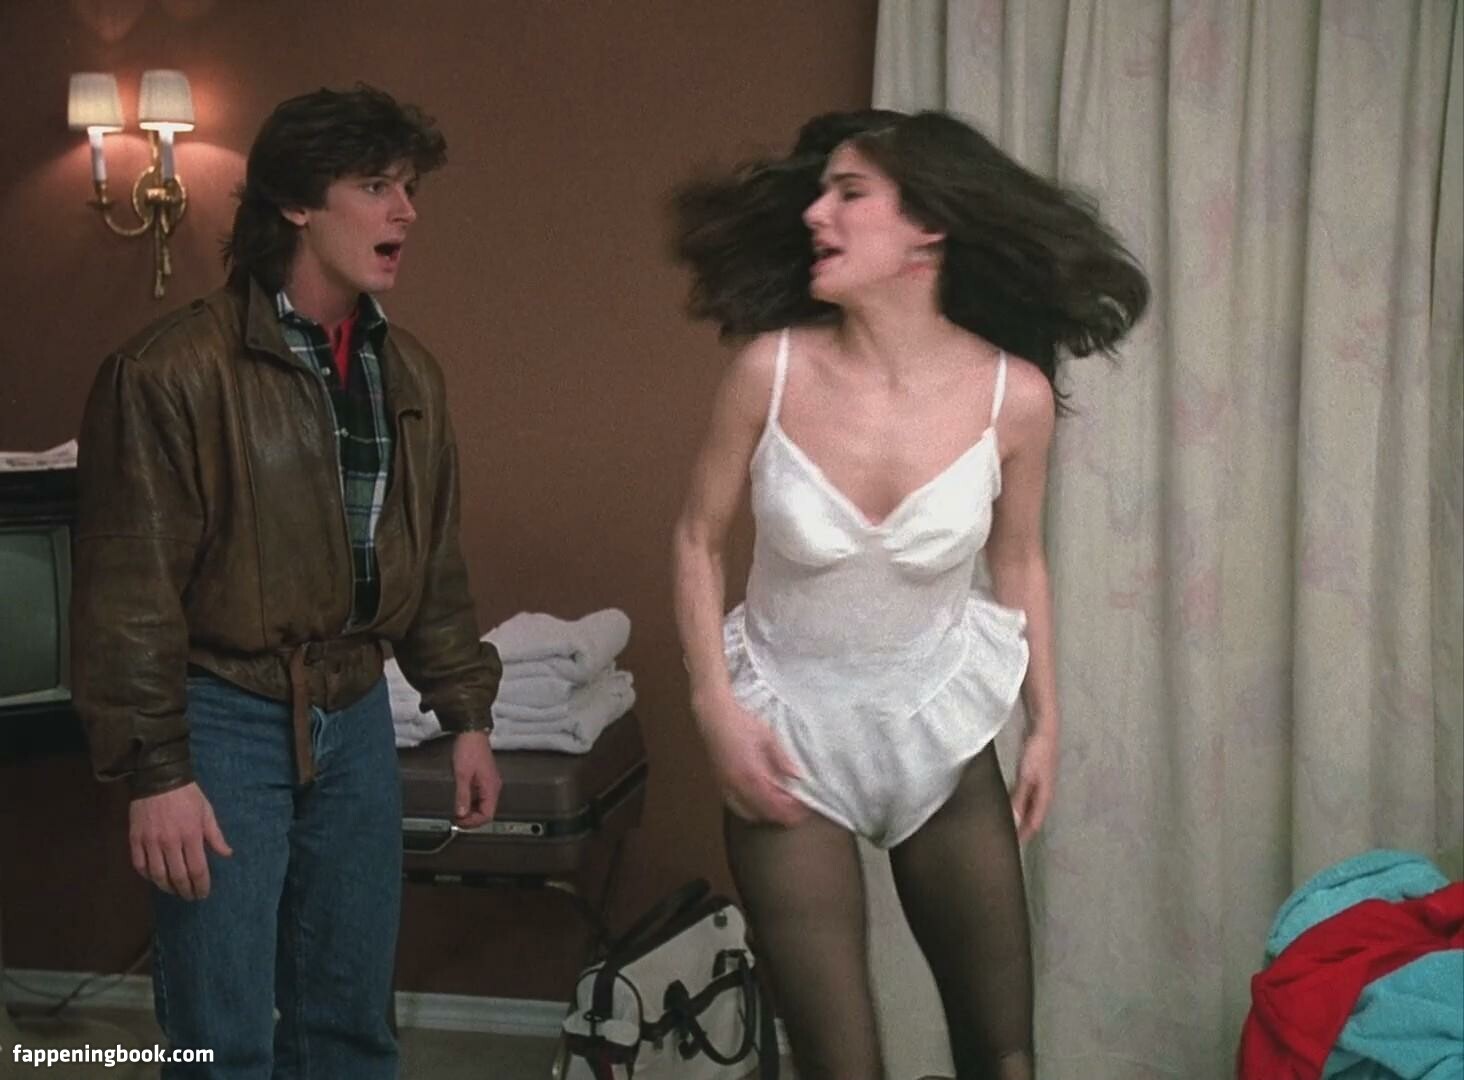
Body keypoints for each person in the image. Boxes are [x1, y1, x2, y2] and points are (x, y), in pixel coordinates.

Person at [670, 109, 1149, 1079]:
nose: (817, 213)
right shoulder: (768, 371)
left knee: (1004, 1060)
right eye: (821, 193)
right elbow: (695, 540)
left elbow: (1019, 563)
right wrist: (714, 706)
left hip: (936, 732)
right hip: (787, 738)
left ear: (928, 227)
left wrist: (1045, 721)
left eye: (849, 194)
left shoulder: (1012, 396)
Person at [71, 85, 502, 1078]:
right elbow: (128, 591)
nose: (407, 211)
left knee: (350, 1026)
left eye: (410, 187)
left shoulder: (410, 375)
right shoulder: (169, 372)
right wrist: (156, 772)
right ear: (298, 202)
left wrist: (466, 714)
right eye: (377, 186)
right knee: (221, 1041)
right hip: (222, 718)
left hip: (355, 713)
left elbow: (431, 559)